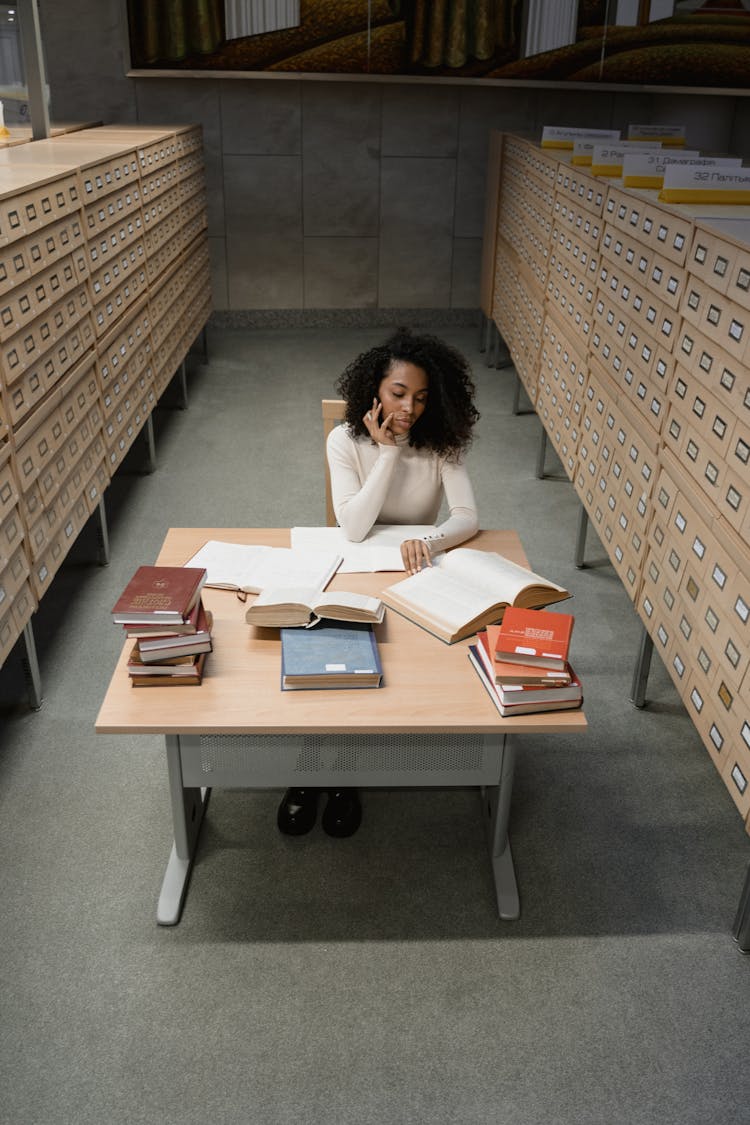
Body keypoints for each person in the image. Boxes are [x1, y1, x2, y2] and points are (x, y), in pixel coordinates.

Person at [277, 327, 480, 839]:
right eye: (398, 394)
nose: (409, 408)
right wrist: (388, 453)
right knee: (331, 665)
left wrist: (431, 541)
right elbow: (353, 527)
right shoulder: (343, 439)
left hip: (410, 571)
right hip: (350, 566)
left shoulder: (442, 443)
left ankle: (344, 775)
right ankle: (309, 772)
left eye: (420, 397)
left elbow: (467, 517)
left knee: (398, 673)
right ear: (374, 389)